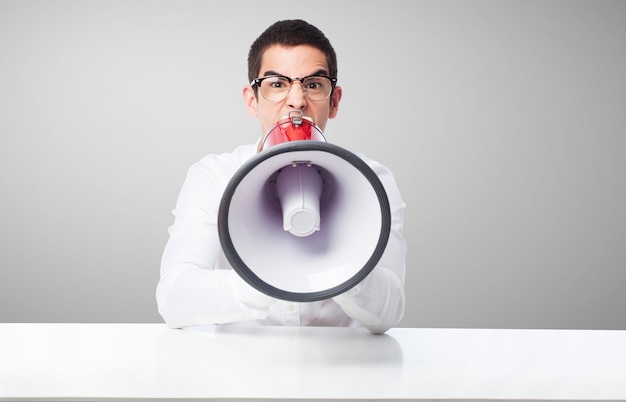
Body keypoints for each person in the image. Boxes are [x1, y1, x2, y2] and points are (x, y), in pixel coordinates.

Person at [156, 19, 406, 335]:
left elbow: (390, 308)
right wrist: (273, 275)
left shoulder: (372, 181)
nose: (297, 100)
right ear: (251, 99)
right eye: (277, 84)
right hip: (238, 375)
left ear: (334, 101)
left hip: (343, 373)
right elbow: (175, 296)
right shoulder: (214, 176)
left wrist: (338, 271)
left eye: (314, 84)